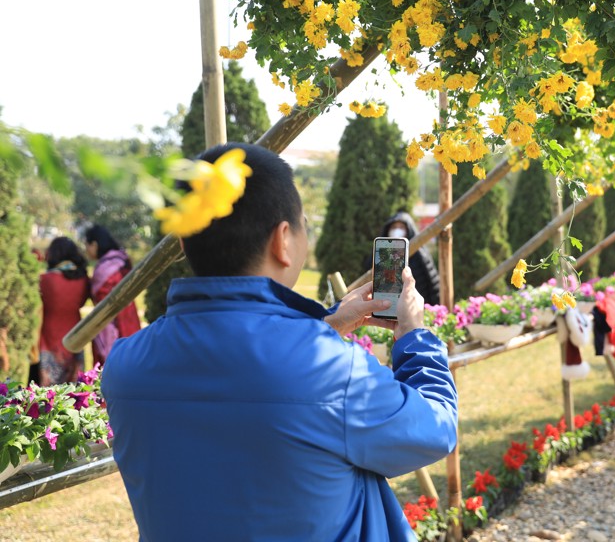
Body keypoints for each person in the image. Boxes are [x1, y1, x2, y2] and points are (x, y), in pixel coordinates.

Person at [101, 143, 458, 541]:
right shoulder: (330, 368)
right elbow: (435, 428)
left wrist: (325, 326)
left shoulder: (125, 367)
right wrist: (413, 336)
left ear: (184, 242)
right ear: (282, 239)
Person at [84, 225, 141, 364]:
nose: (86, 250)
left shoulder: (105, 270)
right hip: (130, 320)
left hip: (111, 326)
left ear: (95, 244)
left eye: (87, 245)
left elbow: (102, 300)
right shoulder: (122, 261)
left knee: (110, 369)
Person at [37, 238, 90, 386]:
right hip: (75, 333)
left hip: (49, 335)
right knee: (73, 392)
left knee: (48, 393)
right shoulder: (84, 280)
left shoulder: (44, 280)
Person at [365, 212, 441, 306]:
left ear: (409, 230)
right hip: (387, 304)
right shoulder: (381, 253)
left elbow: (433, 283)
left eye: (401, 227)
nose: (397, 230)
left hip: (415, 305)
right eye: (394, 227)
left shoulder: (419, 254)